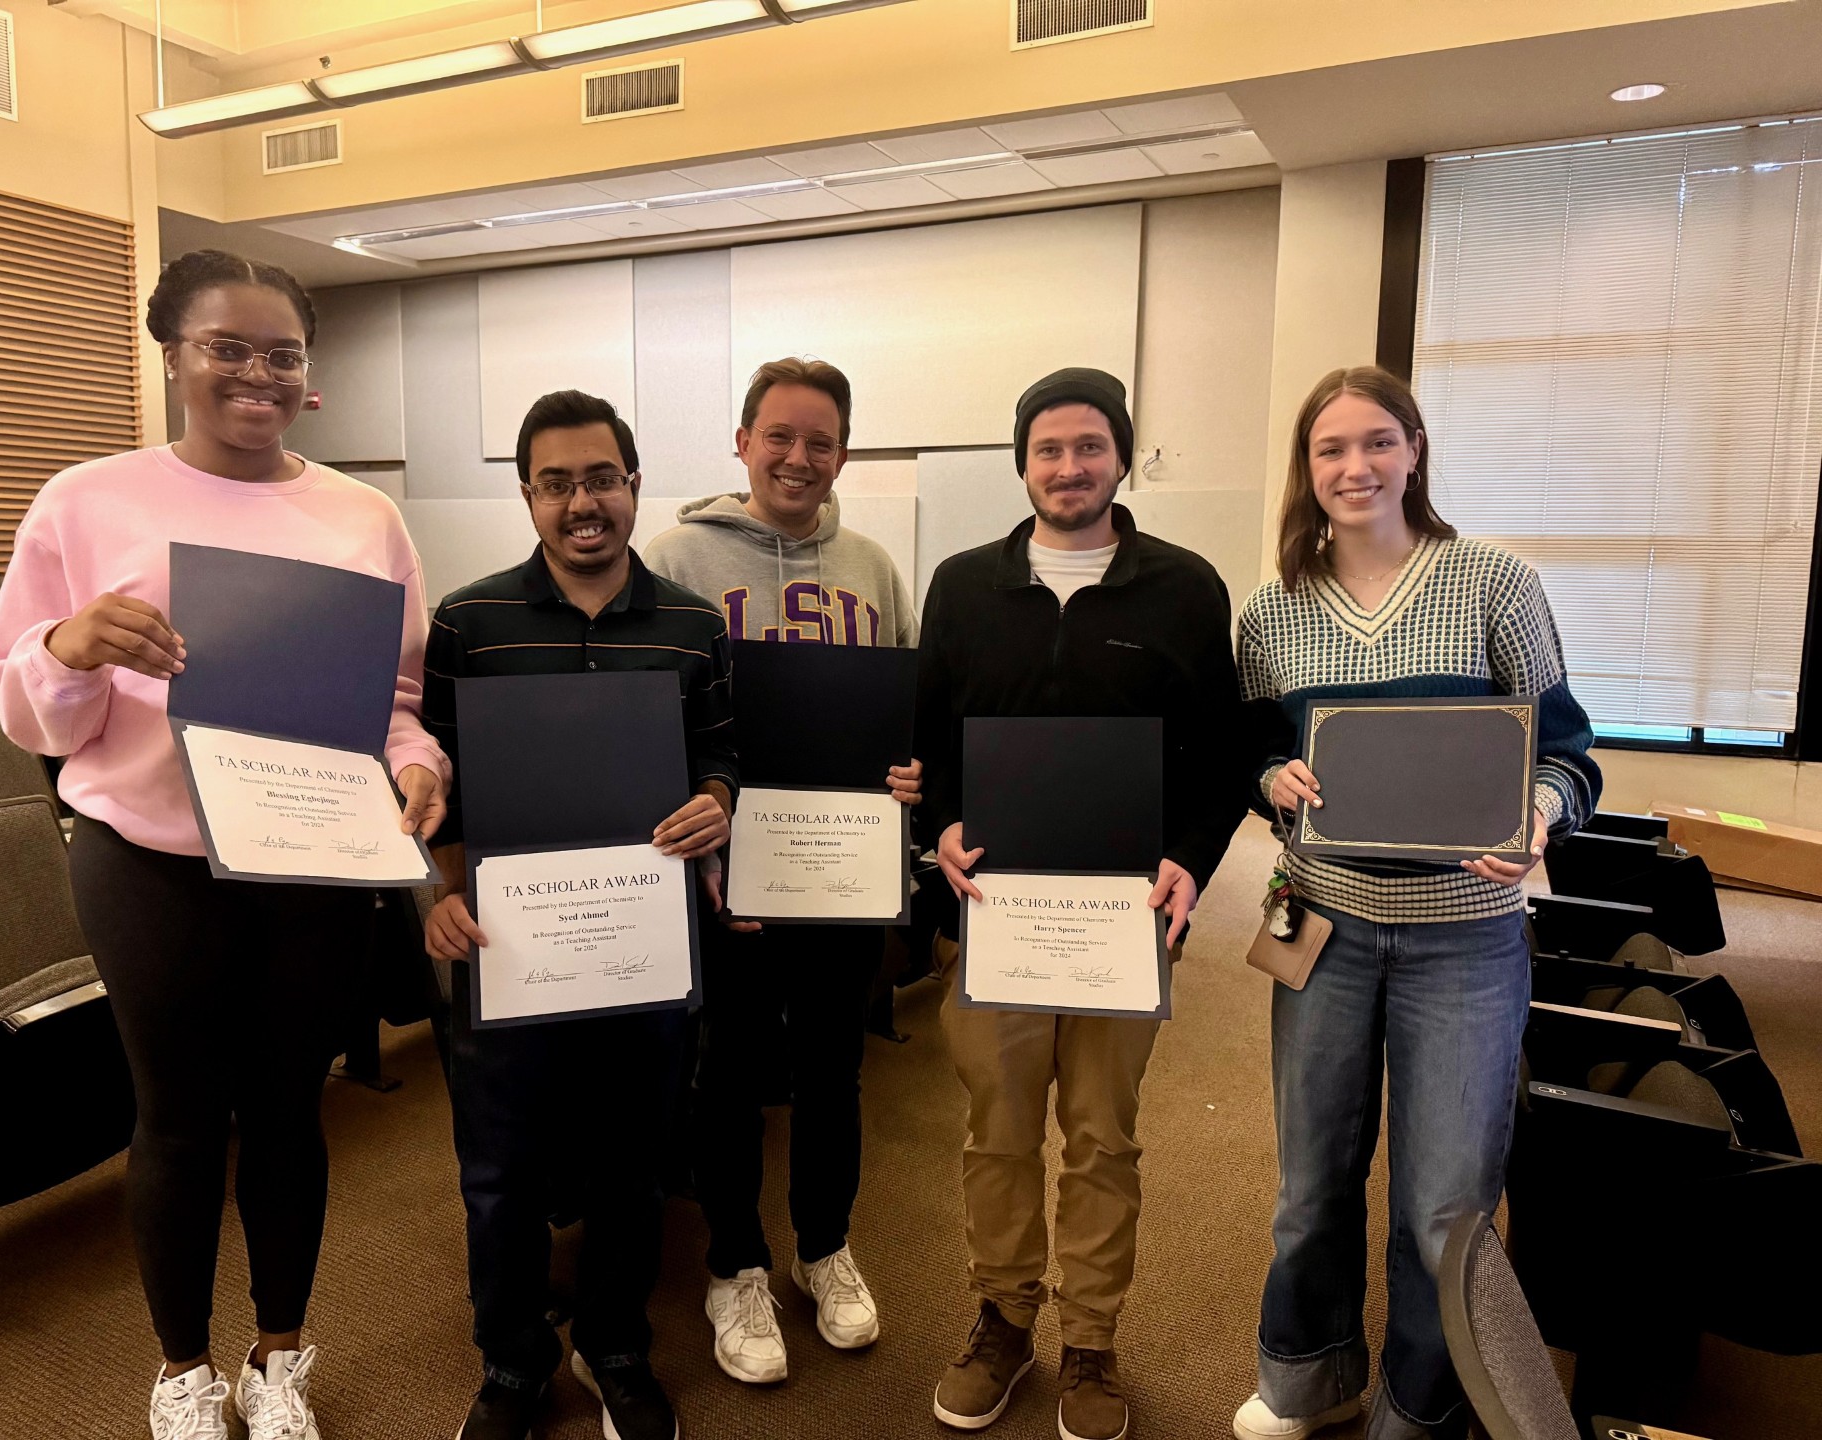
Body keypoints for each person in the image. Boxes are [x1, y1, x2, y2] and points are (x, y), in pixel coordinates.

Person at [0, 249, 449, 1440]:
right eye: (226, 348)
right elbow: (30, 708)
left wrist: (418, 765)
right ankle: (181, 1370)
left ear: (309, 374)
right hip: (147, 858)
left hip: (312, 862)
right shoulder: (88, 500)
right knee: (177, 1117)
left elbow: (396, 698)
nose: (256, 373)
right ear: (174, 355)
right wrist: (69, 646)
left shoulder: (362, 515)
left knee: (295, 1108)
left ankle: (277, 1354)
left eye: (281, 354)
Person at [1230, 365, 1601, 1440]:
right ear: (1307, 468)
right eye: (1331, 449)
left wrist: (1537, 815)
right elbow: (1255, 749)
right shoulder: (1273, 611)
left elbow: (1568, 752)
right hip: (1326, 926)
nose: (1356, 467)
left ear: (1416, 450)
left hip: (1468, 943)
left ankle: (1420, 1409)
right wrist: (1269, 781)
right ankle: (1307, 1376)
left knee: (1444, 1208)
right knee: (1311, 1185)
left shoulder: (1493, 582)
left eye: (1378, 441)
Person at [914, 367, 1249, 1440]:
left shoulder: (1186, 588)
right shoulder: (964, 586)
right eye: (1049, 449)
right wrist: (942, 833)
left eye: (1089, 448)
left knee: (1103, 1138)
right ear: (1022, 462)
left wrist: (1193, 859)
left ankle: (1092, 1342)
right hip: (998, 916)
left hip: (1123, 923)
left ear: (1121, 458)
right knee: (998, 1132)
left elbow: (1220, 758)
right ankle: (1005, 1319)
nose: (1069, 468)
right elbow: (930, 744)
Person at [421, 389, 736, 1440]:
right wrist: (438, 898)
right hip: (507, 948)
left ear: (634, 485)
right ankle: (513, 1365)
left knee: (631, 1166)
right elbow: (434, 786)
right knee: (502, 1175)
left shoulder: (694, 626)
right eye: (555, 483)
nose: (581, 503)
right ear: (528, 495)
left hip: (644, 951)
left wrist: (718, 801)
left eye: (601, 478)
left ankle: (614, 1348)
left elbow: (721, 754)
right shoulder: (469, 623)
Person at [641, 357, 919, 1386]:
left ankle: (823, 1247)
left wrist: (910, 773)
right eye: (780, 436)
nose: (799, 457)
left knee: (833, 1070)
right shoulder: (673, 555)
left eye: (821, 440)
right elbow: (656, 716)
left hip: (841, 873)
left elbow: (904, 710)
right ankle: (735, 1263)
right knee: (732, 1067)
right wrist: (701, 856)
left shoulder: (877, 566)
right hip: (727, 873)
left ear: (843, 450)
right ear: (744, 440)